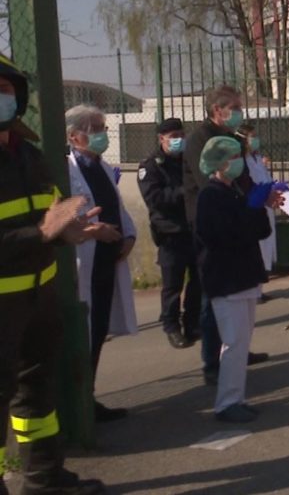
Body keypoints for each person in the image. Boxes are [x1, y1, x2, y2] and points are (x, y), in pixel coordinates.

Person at [1, 54, 111, 495]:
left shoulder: (27, 153)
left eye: (7, 90)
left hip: (38, 296)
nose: (3, 98)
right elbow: (36, 229)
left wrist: (72, 229)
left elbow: (50, 213)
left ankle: (44, 479)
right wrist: (41, 233)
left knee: (36, 395)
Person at [181, 85, 269, 386]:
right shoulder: (199, 140)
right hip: (210, 223)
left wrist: (260, 198)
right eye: (234, 106)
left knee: (242, 292)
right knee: (213, 295)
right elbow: (209, 180)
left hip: (237, 216)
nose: (239, 112)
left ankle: (237, 350)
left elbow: (242, 179)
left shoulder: (232, 138)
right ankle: (212, 362)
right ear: (217, 110)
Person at [65, 104, 138, 423]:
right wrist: (95, 230)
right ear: (73, 135)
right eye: (94, 129)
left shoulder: (103, 167)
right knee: (84, 334)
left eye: (103, 129)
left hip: (107, 261)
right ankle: (77, 405)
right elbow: (65, 219)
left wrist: (130, 235)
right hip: (85, 262)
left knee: (98, 332)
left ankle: (89, 397)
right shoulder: (66, 169)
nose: (101, 135)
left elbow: (116, 207)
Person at [195, 136, 276, 423]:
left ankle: (237, 397)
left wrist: (257, 207)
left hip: (244, 276)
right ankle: (226, 402)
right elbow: (220, 237)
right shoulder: (210, 195)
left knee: (241, 342)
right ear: (217, 163)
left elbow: (261, 231)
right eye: (230, 158)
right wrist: (250, 213)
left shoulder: (236, 192)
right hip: (226, 279)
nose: (237, 163)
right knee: (232, 342)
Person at [138, 117, 201, 349]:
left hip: (193, 229)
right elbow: (155, 199)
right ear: (161, 139)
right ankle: (171, 326)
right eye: (174, 137)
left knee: (197, 281)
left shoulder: (188, 161)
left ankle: (192, 322)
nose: (179, 140)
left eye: (181, 135)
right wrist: (185, 192)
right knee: (172, 285)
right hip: (170, 234)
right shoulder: (151, 166)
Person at [236, 123, 277, 275]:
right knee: (256, 245)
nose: (256, 140)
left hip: (266, 201)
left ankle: (262, 278)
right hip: (254, 203)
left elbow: (265, 178)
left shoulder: (258, 157)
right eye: (252, 137)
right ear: (244, 140)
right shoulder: (242, 159)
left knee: (266, 243)